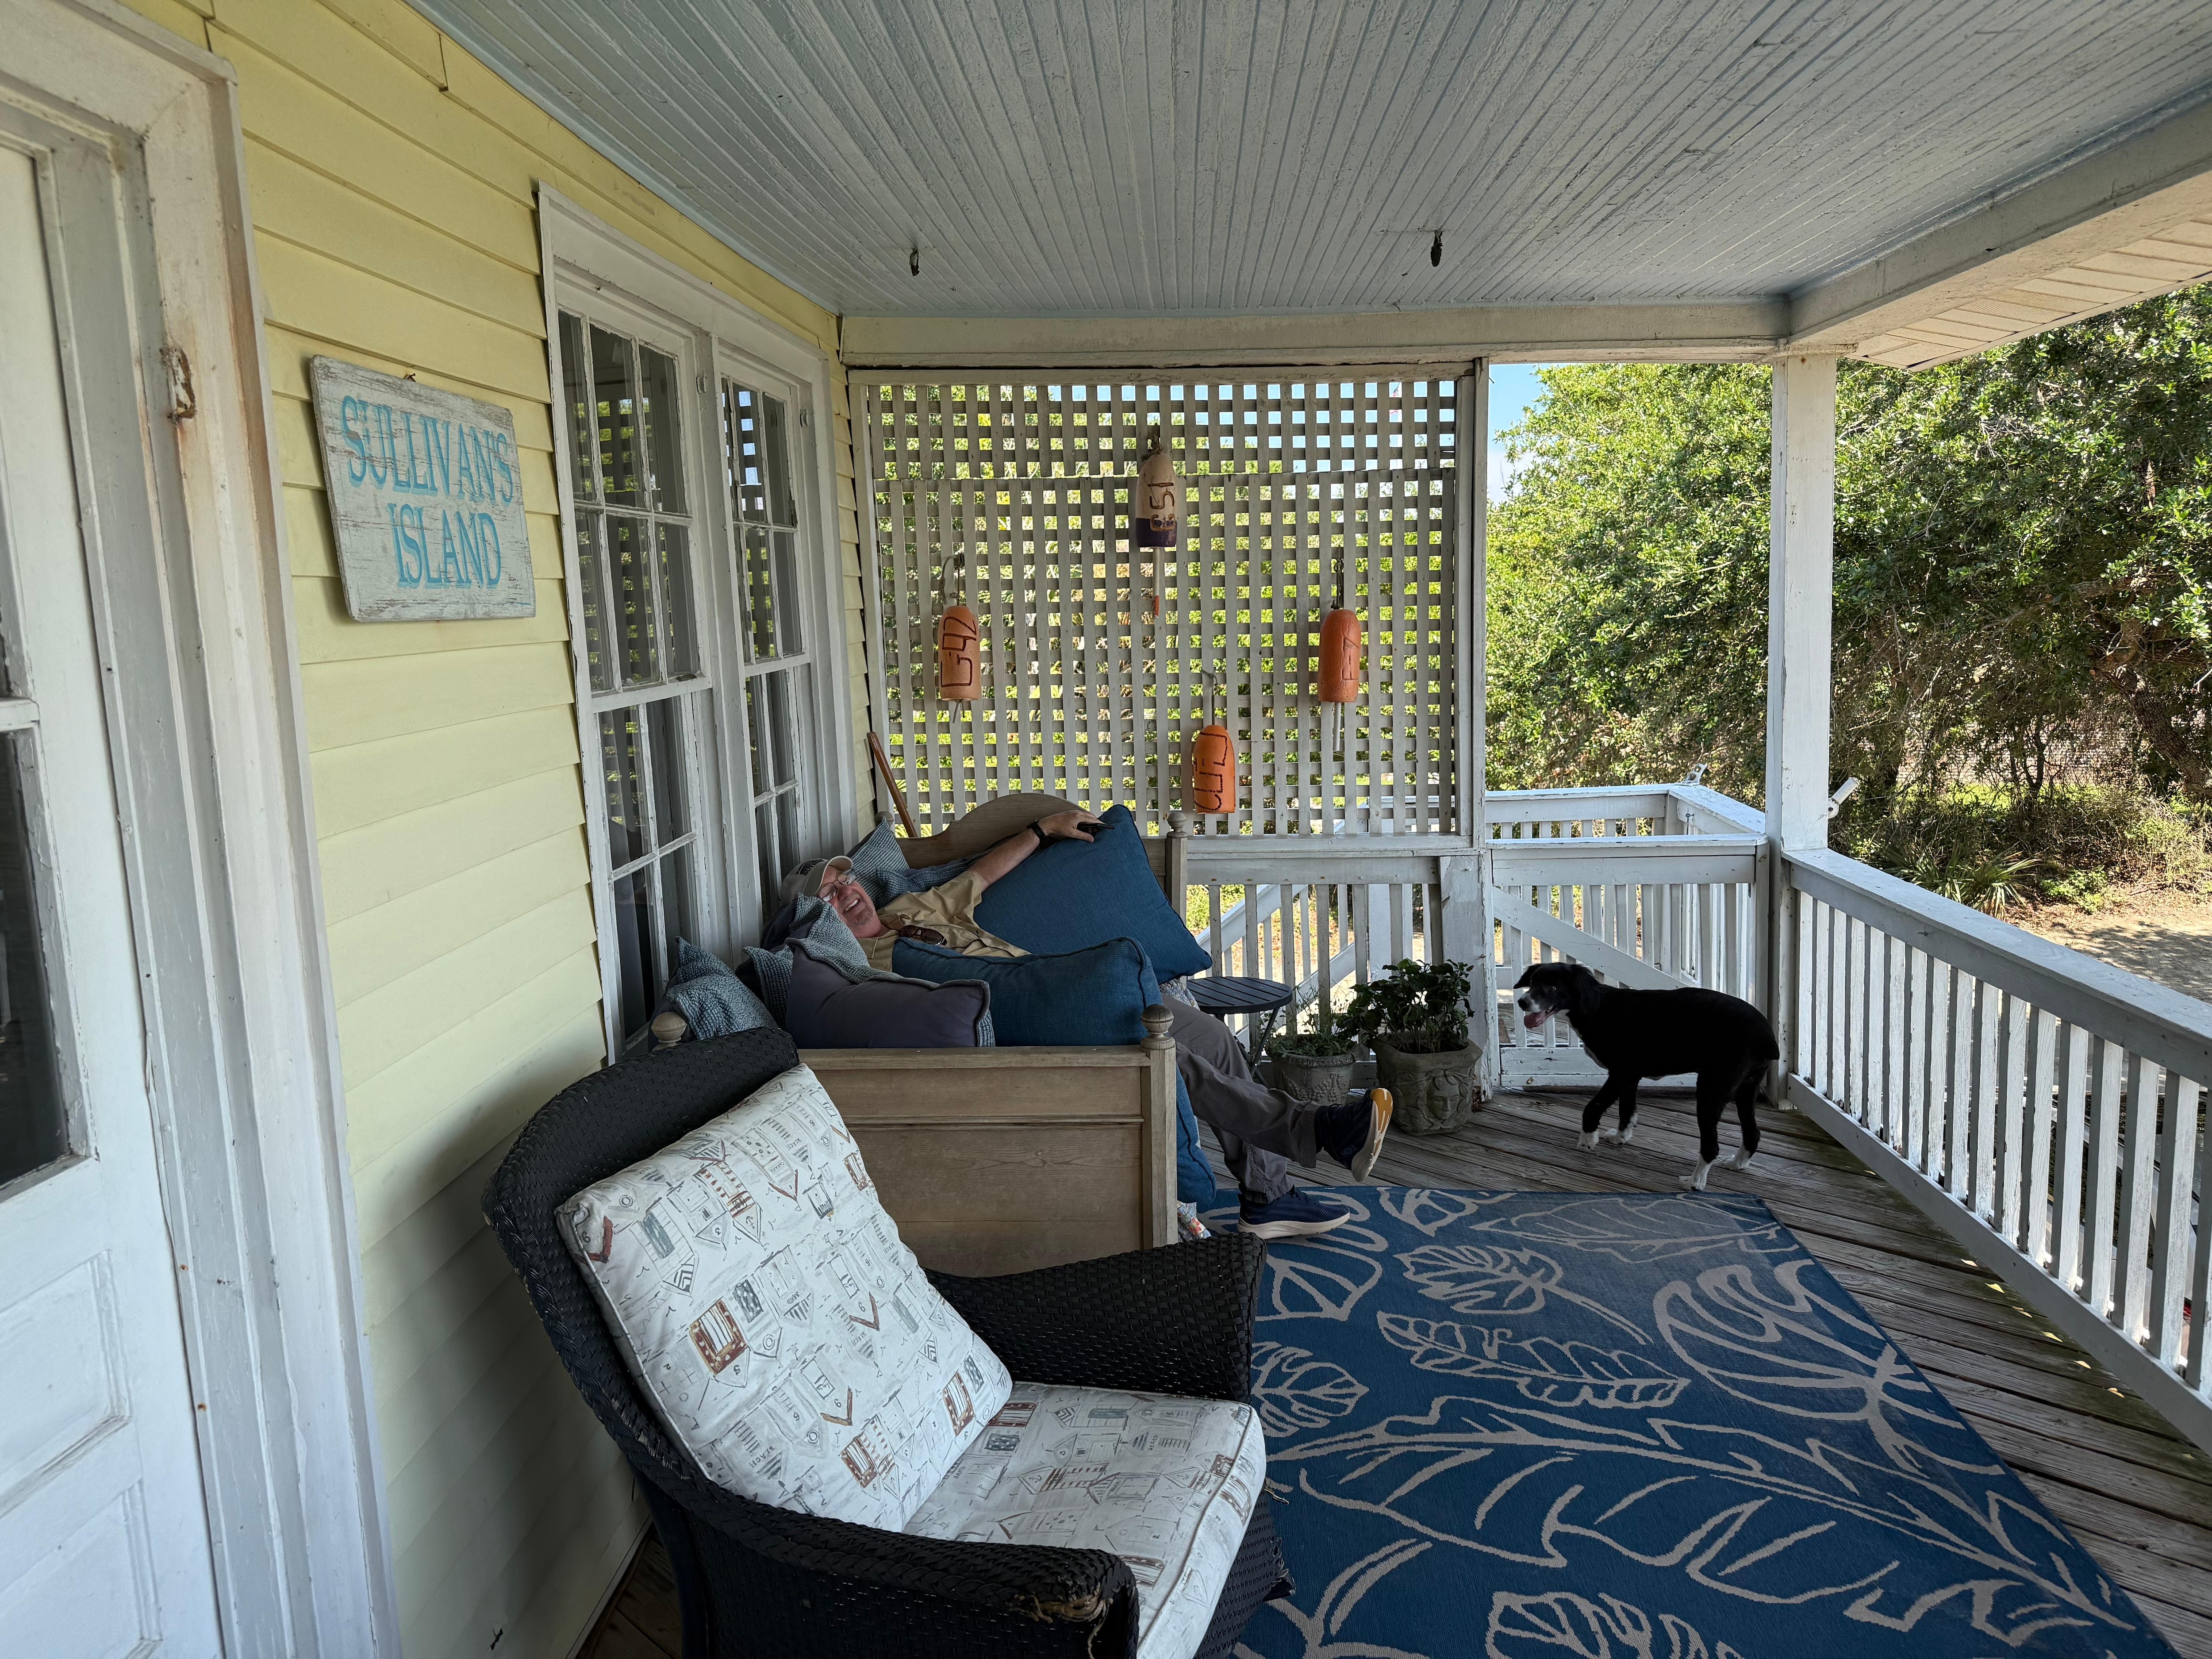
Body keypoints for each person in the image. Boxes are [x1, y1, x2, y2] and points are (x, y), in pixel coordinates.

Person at [779, 810, 1391, 1239]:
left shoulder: (912, 907)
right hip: (1029, 1020)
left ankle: (1268, 1195)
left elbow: (982, 874)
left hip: (1060, 981)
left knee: (1213, 1040)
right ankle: (1316, 1128)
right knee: (1171, 1061)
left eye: (846, 879)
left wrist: (1041, 829)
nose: (847, 892)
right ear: (818, 917)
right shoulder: (859, 965)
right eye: (829, 894)